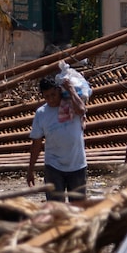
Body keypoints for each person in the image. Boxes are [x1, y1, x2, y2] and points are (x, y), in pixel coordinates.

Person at [27, 75, 88, 203]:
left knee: (78, 208)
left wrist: (70, 89)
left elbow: (82, 110)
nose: (51, 99)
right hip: (53, 167)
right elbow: (36, 143)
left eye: (53, 94)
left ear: (59, 90)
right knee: (55, 208)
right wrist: (30, 169)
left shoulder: (72, 105)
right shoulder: (41, 113)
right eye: (47, 96)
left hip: (77, 165)